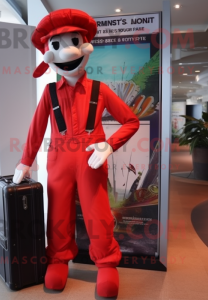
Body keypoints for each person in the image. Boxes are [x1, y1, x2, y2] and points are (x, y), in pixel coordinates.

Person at [13, 8, 140, 298]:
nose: (67, 52)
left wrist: (110, 145)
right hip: (58, 160)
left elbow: (131, 121)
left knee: (98, 214)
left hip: (91, 160)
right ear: (48, 52)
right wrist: (25, 161)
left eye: (73, 41)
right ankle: (58, 258)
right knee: (58, 211)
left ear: (85, 45)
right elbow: (36, 130)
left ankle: (107, 263)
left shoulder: (101, 90)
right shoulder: (49, 93)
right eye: (56, 45)